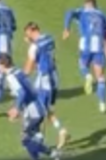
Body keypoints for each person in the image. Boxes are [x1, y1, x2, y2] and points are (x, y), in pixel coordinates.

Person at [0, 54, 61, 160]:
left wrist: (16, 109)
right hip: (38, 108)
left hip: (33, 112)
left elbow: (22, 93)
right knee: (32, 140)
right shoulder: (18, 71)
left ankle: (52, 153)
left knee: (26, 140)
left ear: (3, 65)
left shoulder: (10, 76)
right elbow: (27, 90)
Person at [23, 23, 69, 151]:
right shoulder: (50, 38)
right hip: (55, 77)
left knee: (40, 110)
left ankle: (40, 141)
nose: (26, 36)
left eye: (27, 33)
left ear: (32, 31)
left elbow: (29, 67)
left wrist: (20, 79)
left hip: (44, 81)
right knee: (48, 109)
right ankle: (61, 130)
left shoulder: (34, 47)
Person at [62, 0, 106, 112]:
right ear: (95, 5)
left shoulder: (82, 11)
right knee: (101, 77)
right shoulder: (102, 14)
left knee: (82, 65)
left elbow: (69, 12)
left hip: (86, 45)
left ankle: (87, 75)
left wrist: (67, 28)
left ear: (86, 4)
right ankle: (102, 104)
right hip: (99, 46)